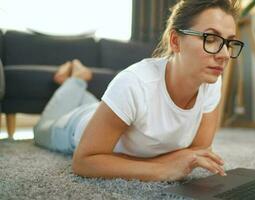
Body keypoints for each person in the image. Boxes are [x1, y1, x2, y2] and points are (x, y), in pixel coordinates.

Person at [33, 0, 244, 182]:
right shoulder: (134, 83)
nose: (224, 54)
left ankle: (79, 80)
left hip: (110, 113)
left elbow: (199, 152)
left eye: (229, 42)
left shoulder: (211, 80)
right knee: (40, 129)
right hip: (73, 127)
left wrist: (173, 160)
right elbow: (84, 161)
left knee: (95, 105)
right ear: (175, 41)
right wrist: (161, 169)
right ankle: (77, 78)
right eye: (210, 38)